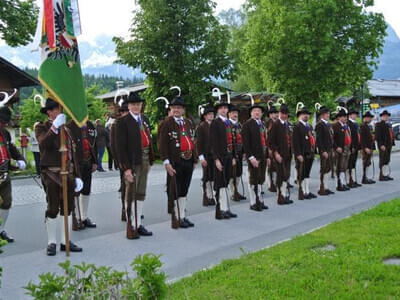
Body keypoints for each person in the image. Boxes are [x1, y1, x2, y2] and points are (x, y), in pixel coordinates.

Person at [35, 98, 84, 256]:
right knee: (53, 208)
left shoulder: (67, 130)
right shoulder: (41, 127)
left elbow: (72, 153)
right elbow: (43, 145)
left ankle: (65, 241)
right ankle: (52, 242)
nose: (60, 111)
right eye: (56, 109)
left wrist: (77, 175)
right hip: (51, 173)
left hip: (68, 173)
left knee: (68, 208)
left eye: (60, 109)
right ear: (49, 112)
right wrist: (54, 127)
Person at [116, 93, 154, 239]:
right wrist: (126, 169)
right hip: (132, 162)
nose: (136, 106)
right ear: (129, 106)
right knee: (130, 194)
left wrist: (150, 160)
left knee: (141, 193)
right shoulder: (122, 122)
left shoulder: (143, 120)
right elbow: (120, 148)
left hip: (144, 159)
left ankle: (138, 224)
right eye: (133, 104)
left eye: (138, 104)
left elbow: (148, 140)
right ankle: (130, 226)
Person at [159, 92, 197, 228]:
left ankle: (183, 216)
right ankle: (176, 216)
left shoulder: (187, 123)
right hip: (175, 161)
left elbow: (192, 141)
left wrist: (194, 159)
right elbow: (162, 144)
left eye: (179, 107)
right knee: (175, 189)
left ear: (183, 110)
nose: (176, 110)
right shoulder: (166, 123)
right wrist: (166, 162)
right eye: (174, 107)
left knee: (184, 189)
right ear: (171, 109)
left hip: (188, 160)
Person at [0, 106, 26, 243]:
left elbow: (11, 148)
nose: (3, 124)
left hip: (4, 172)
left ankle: (0, 229)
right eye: (1, 121)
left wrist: (21, 159)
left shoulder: (5, 133)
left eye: (4, 122)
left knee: (7, 202)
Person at [210, 97, 238, 220]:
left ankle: (226, 208)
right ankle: (221, 208)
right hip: (220, 157)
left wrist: (232, 156)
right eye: (221, 108)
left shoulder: (228, 122)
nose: (223, 110)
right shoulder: (216, 123)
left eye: (225, 108)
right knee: (220, 183)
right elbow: (213, 142)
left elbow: (232, 141)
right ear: (218, 110)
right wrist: (216, 159)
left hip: (228, 156)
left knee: (226, 182)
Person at [68, 118, 98, 231]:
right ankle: (76, 218)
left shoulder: (90, 125)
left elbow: (93, 144)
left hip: (88, 161)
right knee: (76, 190)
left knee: (86, 189)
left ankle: (84, 217)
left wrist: (95, 161)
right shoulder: (69, 126)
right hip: (77, 162)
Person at [242, 102, 269, 211]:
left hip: (262, 155)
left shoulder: (262, 124)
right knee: (253, 179)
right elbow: (246, 143)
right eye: (254, 111)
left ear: (262, 113)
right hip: (254, 156)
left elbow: (265, 141)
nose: (257, 112)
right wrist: (251, 157)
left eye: (259, 111)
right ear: (251, 113)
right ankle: (253, 202)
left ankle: (260, 200)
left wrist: (267, 156)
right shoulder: (247, 125)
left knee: (261, 179)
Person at [269, 103, 293, 205]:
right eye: (282, 113)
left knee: (286, 175)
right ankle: (280, 197)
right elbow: (270, 141)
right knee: (280, 176)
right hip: (279, 154)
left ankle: (284, 195)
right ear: (279, 113)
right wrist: (276, 153)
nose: (284, 115)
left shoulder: (288, 125)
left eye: (286, 113)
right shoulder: (275, 125)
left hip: (288, 154)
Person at [292, 105, 317, 200]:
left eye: (307, 114)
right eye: (304, 114)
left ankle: (307, 191)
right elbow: (295, 142)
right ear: (299, 115)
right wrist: (298, 154)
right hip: (302, 154)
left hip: (309, 152)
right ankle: (302, 191)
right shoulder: (297, 126)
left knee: (307, 173)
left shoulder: (309, 126)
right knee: (301, 173)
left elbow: (312, 139)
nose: (306, 116)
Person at [111, 101, 130, 222]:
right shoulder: (116, 125)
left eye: (127, 111)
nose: (126, 113)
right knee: (125, 187)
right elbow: (113, 146)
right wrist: (119, 162)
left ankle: (132, 209)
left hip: (134, 161)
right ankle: (125, 210)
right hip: (123, 161)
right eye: (123, 111)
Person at [196, 105, 216, 207]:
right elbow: (198, 143)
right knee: (206, 177)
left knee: (213, 176)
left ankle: (212, 196)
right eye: (209, 114)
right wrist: (201, 157)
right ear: (205, 116)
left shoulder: (215, 125)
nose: (211, 116)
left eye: (212, 114)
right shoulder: (201, 127)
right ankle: (207, 196)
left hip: (214, 155)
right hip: (206, 155)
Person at [315, 106, 335, 196]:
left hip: (329, 149)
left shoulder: (328, 124)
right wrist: (322, 151)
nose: (328, 115)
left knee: (328, 168)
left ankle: (326, 187)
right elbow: (319, 140)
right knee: (323, 168)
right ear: (322, 115)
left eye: (328, 113)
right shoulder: (320, 125)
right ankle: (322, 187)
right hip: (324, 150)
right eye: (326, 114)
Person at [228, 105, 246, 202]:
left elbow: (242, 139)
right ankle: (232, 193)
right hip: (231, 153)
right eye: (233, 113)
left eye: (236, 113)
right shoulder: (227, 125)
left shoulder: (239, 125)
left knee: (238, 173)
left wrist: (243, 152)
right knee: (232, 174)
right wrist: (231, 157)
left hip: (239, 152)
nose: (235, 114)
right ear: (229, 114)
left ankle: (236, 190)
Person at [332, 108, 352, 191]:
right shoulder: (335, 126)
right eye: (343, 117)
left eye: (346, 117)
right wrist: (336, 147)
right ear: (339, 118)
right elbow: (332, 139)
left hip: (346, 148)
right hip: (339, 149)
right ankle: (338, 184)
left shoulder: (346, 126)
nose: (345, 118)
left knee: (344, 167)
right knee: (339, 167)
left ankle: (343, 183)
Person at [375, 110, 395, 181]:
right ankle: (382, 176)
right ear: (381, 117)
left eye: (387, 116)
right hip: (383, 145)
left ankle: (385, 174)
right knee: (383, 160)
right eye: (384, 116)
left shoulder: (388, 124)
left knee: (387, 160)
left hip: (388, 145)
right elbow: (378, 136)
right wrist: (381, 145)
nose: (386, 117)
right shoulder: (379, 124)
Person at [359, 111, 376, 184]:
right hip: (366, 148)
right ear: (366, 118)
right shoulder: (363, 126)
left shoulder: (368, 126)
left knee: (368, 162)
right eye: (369, 118)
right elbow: (362, 138)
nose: (371, 119)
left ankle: (366, 177)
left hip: (369, 147)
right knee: (365, 162)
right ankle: (364, 178)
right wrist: (365, 148)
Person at [347, 110, 362, 187]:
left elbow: (358, 136)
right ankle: (349, 181)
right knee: (350, 164)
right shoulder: (348, 124)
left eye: (356, 114)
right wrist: (352, 146)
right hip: (351, 147)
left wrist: (359, 146)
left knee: (353, 164)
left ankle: (354, 180)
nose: (355, 116)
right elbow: (349, 136)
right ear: (350, 115)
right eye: (354, 114)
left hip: (356, 146)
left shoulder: (356, 124)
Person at [265, 105, 279, 193]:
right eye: (273, 113)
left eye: (276, 113)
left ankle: (275, 182)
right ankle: (270, 184)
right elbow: (266, 137)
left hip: (277, 147)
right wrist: (268, 148)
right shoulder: (267, 124)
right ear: (270, 115)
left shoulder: (278, 123)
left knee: (275, 167)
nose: (275, 115)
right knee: (270, 167)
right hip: (270, 147)